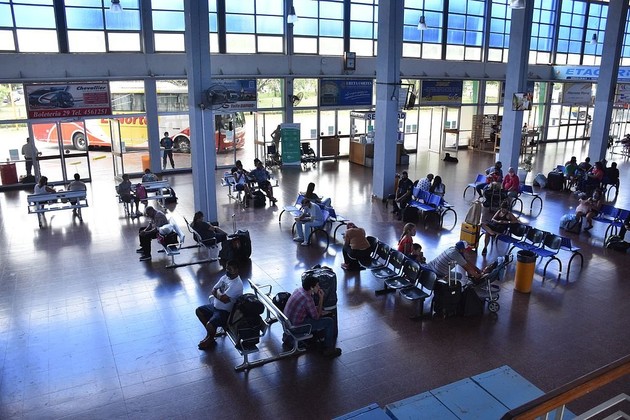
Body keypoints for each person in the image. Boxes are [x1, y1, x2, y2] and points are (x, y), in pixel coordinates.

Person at [283, 274, 342, 358]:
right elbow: (316, 317)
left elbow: (308, 308)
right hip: (296, 327)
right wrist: (321, 298)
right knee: (329, 321)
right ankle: (329, 349)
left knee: (320, 311)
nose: (319, 287)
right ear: (311, 288)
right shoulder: (308, 298)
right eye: (317, 285)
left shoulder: (299, 290)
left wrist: (318, 309)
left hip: (288, 323)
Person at [195, 260, 244, 350]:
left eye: (230, 269)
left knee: (210, 324)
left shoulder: (236, 284)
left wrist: (218, 292)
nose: (227, 271)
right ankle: (210, 333)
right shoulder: (225, 277)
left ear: (236, 270)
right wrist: (219, 294)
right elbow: (213, 290)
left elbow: (223, 298)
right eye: (227, 268)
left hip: (225, 312)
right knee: (199, 311)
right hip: (215, 306)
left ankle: (210, 338)